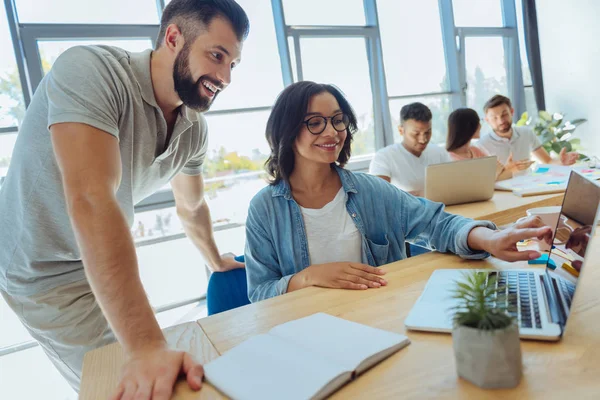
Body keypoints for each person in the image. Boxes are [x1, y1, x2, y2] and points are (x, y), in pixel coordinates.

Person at [0, 0, 249, 398]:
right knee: (134, 385)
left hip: (93, 257)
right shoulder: (91, 71)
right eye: (216, 56)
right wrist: (147, 346)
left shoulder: (193, 129)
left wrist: (214, 258)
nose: (224, 76)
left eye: (232, 64)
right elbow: (91, 197)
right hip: (45, 272)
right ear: (173, 37)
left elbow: (191, 205)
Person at [244, 81, 553, 303]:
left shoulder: (369, 191)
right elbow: (260, 293)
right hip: (307, 332)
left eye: (338, 120)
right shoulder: (264, 209)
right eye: (314, 122)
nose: (332, 131)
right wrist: (308, 276)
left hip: (380, 315)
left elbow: (435, 223)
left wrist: (490, 238)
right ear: (286, 129)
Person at [479, 95, 579, 173]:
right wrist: (507, 170)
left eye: (504, 114)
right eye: (494, 117)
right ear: (487, 120)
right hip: (500, 192)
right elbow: (484, 178)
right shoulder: (482, 145)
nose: (501, 121)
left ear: (512, 112)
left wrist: (561, 162)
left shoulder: (526, 133)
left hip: (527, 186)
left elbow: (547, 161)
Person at [369, 102, 450, 196]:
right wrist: (421, 194)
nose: (423, 139)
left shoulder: (439, 153)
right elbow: (379, 195)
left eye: (428, 132)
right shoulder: (384, 157)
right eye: (416, 133)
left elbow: (453, 185)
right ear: (401, 130)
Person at [445, 107, 510, 180]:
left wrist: (508, 168)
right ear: (469, 127)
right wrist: (495, 173)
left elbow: (497, 172)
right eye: (478, 122)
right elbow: (473, 184)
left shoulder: (476, 150)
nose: (480, 126)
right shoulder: (449, 159)